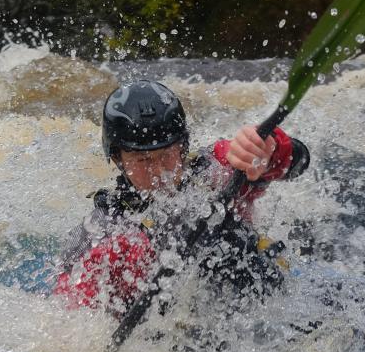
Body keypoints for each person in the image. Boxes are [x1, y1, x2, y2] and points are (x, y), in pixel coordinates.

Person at [54, 80, 309, 318]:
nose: (158, 171)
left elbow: (298, 161)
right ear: (118, 160)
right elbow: (69, 320)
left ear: (184, 148)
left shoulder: (216, 170)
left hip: (267, 306)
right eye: (142, 160)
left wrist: (269, 150)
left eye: (167, 155)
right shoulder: (100, 234)